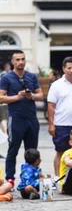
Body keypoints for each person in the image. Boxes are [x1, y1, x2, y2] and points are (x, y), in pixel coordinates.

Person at [0, 50, 43, 185]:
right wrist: (17, 97)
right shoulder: (6, 78)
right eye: (17, 59)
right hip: (16, 118)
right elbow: (1, 97)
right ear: (13, 62)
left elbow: (41, 94)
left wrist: (32, 97)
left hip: (31, 118)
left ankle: (30, 178)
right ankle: (10, 179)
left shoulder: (32, 76)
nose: (20, 62)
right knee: (13, 149)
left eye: (23, 59)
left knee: (32, 151)